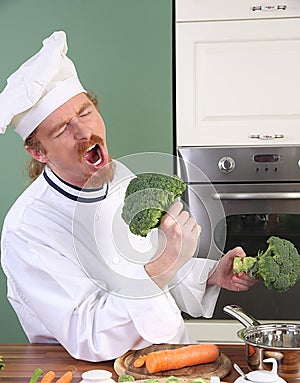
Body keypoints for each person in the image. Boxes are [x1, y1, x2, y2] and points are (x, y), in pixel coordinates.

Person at [0, 31, 256, 362]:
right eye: (62, 130)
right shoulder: (28, 230)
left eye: (86, 111)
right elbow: (87, 333)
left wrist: (209, 274)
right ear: (39, 152)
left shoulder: (123, 178)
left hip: (173, 362)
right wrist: (162, 266)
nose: (84, 132)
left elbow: (148, 266)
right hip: (93, 380)